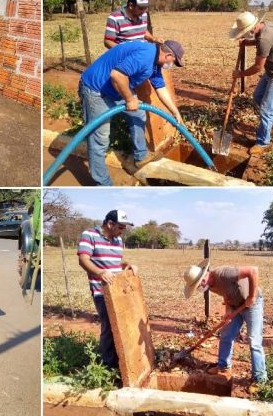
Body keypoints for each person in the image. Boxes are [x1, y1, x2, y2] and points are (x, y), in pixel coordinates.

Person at [79, 39, 185, 185]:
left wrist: (175, 112)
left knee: (138, 113)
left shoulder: (155, 61)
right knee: (100, 140)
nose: (171, 65)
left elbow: (160, 88)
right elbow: (117, 75)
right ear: (168, 55)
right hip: (97, 90)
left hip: (117, 89)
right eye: (173, 61)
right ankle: (103, 184)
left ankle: (140, 157)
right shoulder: (145, 56)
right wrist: (129, 99)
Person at [183, 262, 267, 388]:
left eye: (198, 284)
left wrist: (252, 296)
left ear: (203, 278)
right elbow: (226, 294)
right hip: (235, 306)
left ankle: (259, 379)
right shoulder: (210, 286)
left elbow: (253, 270)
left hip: (252, 305)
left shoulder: (223, 274)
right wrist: (228, 311)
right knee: (226, 335)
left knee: (254, 341)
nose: (199, 288)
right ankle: (223, 367)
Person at [77, 210, 139, 369]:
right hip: (101, 291)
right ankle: (107, 365)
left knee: (122, 324)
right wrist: (100, 272)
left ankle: (121, 361)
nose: (122, 231)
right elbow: (83, 260)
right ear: (110, 224)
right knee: (110, 326)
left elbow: (116, 261)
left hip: (119, 291)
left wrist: (127, 264)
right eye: (121, 227)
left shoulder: (117, 240)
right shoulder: (89, 235)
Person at [229, 11, 273, 155]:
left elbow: (257, 67)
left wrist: (240, 74)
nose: (244, 35)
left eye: (245, 33)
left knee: (266, 108)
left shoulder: (264, 37)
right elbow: (262, 42)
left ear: (252, 28)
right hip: (272, 71)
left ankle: (263, 143)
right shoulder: (265, 26)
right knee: (257, 97)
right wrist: (248, 42)